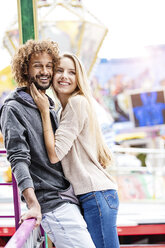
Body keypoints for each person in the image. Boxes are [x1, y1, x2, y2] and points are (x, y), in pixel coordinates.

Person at [0, 40, 96, 248]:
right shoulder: (13, 108)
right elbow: (18, 159)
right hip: (52, 203)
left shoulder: (48, 105)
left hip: (67, 197)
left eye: (49, 66)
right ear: (25, 69)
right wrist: (33, 204)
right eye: (37, 65)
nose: (44, 71)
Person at [30, 52, 120, 248]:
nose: (65, 76)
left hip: (96, 195)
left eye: (72, 72)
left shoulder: (76, 103)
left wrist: (45, 111)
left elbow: (54, 154)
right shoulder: (63, 110)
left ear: (78, 78)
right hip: (92, 195)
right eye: (60, 70)